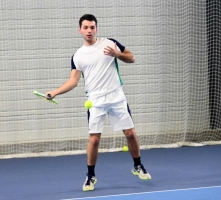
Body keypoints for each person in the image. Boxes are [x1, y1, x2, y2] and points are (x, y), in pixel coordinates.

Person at [46, 14, 151, 192]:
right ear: (80, 30)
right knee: (94, 140)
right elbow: (73, 81)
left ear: (96, 29)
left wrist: (116, 54)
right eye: (85, 27)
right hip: (95, 100)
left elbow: (131, 58)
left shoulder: (109, 42)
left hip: (116, 96)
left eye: (92, 27)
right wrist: (54, 92)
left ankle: (137, 165)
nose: (89, 30)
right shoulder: (78, 56)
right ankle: (90, 175)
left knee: (131, 134)